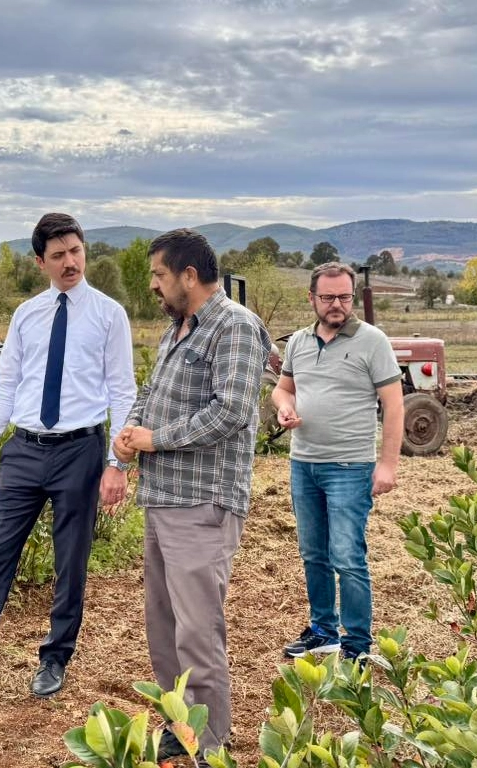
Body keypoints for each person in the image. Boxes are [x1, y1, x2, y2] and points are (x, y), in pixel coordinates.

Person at [0, 212, 137, 708]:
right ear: (41, 262)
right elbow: (6, 385)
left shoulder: (109, 314)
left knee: (70, 562)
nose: (70, 262)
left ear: (84, 251)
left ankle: (55, 657)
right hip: (24, 451)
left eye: (75, 251)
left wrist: (116, 463)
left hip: (80, 450)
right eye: (57, 255)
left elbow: (124, 391)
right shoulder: (26, 315)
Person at [114, 229, 271, 759]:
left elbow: (233, 412)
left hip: (202, 501)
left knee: (198, 632)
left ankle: (210, 741)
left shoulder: (236, 328)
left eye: (159, 275)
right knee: (164, 629)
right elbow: (150, 394)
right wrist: (132, 433)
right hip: (162, 499)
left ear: (188, 275)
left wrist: (156, 439)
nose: (154, 287)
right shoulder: (177, 329)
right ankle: (180, 727)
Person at [270, 262, 403, 662]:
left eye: (344, 297)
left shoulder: (372, 341)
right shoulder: (298, 342)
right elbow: (282, 390)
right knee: (314, 553)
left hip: (350, 467)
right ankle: (323, 631)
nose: (336, 305)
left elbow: (394, 406)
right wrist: (284, 408)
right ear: (311, 298)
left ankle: (357, 645)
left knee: (347, 556)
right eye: (327, 297)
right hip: (304, 464)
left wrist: (388, 465)